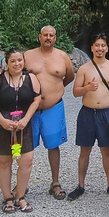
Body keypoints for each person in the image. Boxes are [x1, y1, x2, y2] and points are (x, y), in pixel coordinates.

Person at [0, 48, 41, 213]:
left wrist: (26, 119)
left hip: (23, 126)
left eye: (20, 60)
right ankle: (8, 197)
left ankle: (20, 196)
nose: (17, 64)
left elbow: (37, 99)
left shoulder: (31, 78)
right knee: (4, 162)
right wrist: (2, 121)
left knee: (26, 160)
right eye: (13, 61)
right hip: (0, 126)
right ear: (7, 63)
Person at [68, 34, 109, 200]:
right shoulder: (85, 69)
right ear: (92, 48)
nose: (100, 48)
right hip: (87, 113)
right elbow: (75, 92)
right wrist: (87, 87)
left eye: (103, 45)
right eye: (97, 45)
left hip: (106, 113)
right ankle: (80, 185)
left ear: (106, 48)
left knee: (106, 150)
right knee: (84, 150)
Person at [25, 25, 75, 200]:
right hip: (30, 108)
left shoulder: (62, 56)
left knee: (53, 145)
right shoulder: (27, 56)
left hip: (54, 107)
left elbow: (69, 76)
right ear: (39, 37)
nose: (48, 38)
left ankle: (55, 182)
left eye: (51, 35)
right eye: (45, 35)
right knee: (26, 146)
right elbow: (15, 74)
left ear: (55, 38)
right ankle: (22, 183)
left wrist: (56, 90)